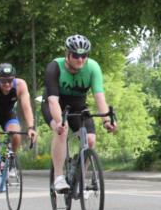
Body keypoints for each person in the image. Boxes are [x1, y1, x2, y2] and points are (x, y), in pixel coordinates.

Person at [44, 35, 117, 194]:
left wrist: (106, 120)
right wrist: (60, 122)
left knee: (90, 140)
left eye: (84, 55)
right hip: (55, 105)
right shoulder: (54, 67)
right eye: (76, 55)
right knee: (61, 130)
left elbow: (99, 97)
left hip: (77, 107)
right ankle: (58, 177)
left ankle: (79, 175)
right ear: (67, 54)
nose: (80, 59)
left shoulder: (93, 67)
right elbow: (53, 101)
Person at [0, 63, 38, 210]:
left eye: (10, 81)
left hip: (8, 115)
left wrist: (31, 127)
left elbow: (26, 107)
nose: (7, 84)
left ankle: (11, 160)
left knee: (16, 134)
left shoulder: (20, 85)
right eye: (3, 81)